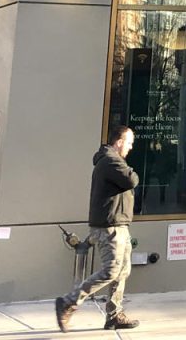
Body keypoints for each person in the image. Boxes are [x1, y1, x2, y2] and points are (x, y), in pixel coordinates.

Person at [55, 126, 140, 332]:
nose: (130, 147)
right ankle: (68, 302)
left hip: (118, 224)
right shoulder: (111, 161)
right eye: (128, 143)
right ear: (119, 142)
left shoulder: (111, 161)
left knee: (122, 271)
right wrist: (131, 171)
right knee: (111, 270)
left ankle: (114, 315)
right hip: (109, 226)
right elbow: (132, 180)